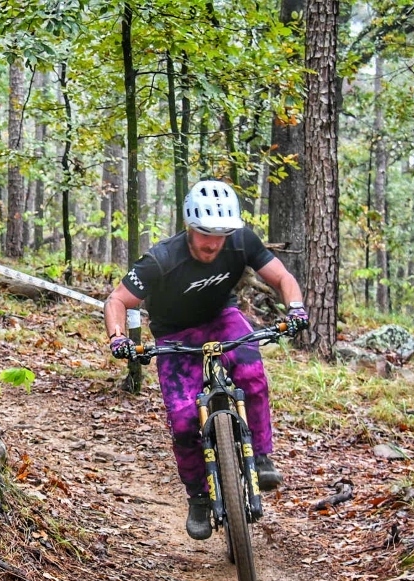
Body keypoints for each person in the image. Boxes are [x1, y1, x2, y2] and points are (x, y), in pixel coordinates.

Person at [103, 180, 307, 541]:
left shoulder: (242, 241)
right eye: (205, 234)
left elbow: (282, 277)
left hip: (222, 319)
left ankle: (260, 457)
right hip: (174, 335)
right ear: (189, 227)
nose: (214, 243)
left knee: (252, 374)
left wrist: (296, 309)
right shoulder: (161, 259)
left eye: (221, 234)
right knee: (183, 422)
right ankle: (198, 497)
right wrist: (118, 338)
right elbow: (117, 300)